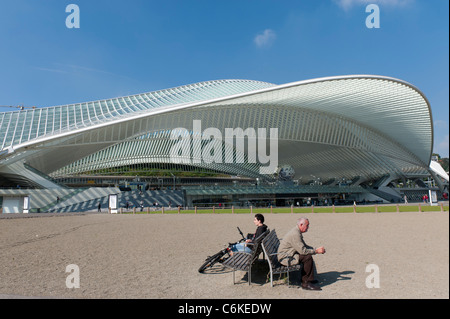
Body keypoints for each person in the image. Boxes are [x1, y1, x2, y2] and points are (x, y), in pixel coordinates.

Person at [277, 217, 325, 291]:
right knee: (307, 257)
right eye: (307, 225)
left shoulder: (297, 231)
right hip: (286, 258)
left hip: (289, 254)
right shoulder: (295, 234)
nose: (308, 228)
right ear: (301, 224)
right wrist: (316, 251)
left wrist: (315, 249)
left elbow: (303, 246)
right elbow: (303, 251)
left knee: (307, 256)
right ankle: (306, 283)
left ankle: (308, 279)